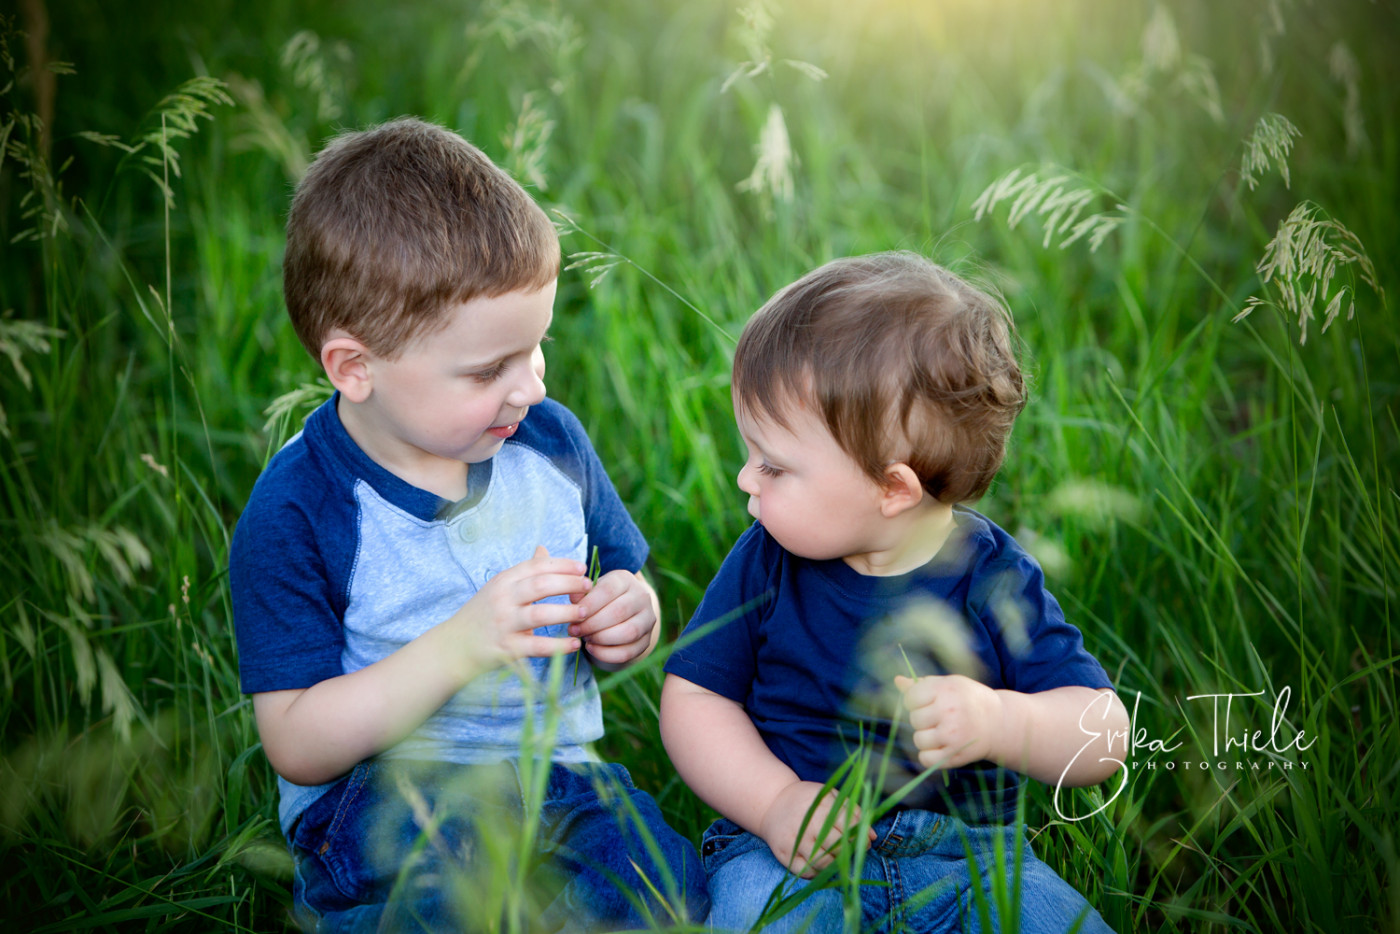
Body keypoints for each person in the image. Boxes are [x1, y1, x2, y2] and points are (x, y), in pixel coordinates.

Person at [229, 117, 707, 932]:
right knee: (442, 905)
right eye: (489, 370)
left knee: (669, 888)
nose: (528, 388)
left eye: (536, 349)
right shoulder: (299, 510)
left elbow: (625, 573)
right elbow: (297, 742)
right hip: (390, 789)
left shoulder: (549, 442)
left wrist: (632, 610)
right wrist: (459, 645)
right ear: (355, 368)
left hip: (559, 776)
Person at [660, 252, 1129, 933]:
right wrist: (774, 801)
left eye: (773, 465)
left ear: (892, 489)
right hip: (786, 855)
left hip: (970, 862)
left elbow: (1104, 731)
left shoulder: (993, 576)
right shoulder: (767, 561)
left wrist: (1002, 721)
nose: (745, 480)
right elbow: (695, 698)